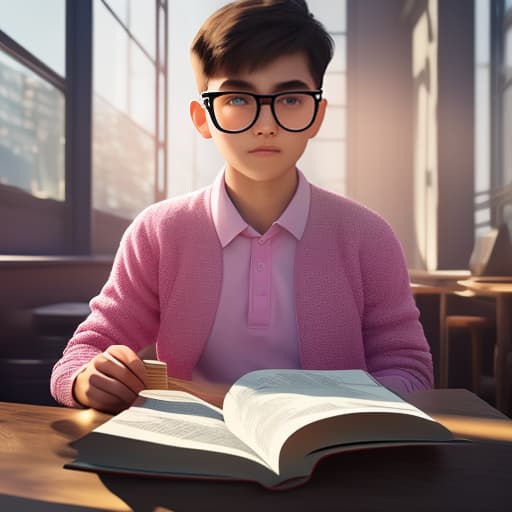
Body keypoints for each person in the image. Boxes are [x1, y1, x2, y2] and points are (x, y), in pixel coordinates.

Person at [50, 0, 433, 414]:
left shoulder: (367, 236)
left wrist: (359, 409)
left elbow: (408, 366)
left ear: (318, 115)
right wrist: (88, 379)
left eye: (289, 100)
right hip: (191, 443)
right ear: (202, 118)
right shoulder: (159, 232)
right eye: (237, 99)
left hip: (332, 453)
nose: (265, 123)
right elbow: (81, 355)